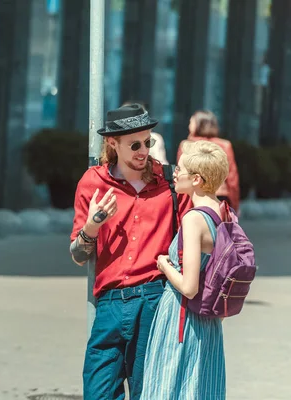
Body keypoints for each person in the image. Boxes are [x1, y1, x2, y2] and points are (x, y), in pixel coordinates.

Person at [69, 103, 191, 400]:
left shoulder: (170, 182)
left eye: (148, 142)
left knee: (147, 392)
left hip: (154, 298)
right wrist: (94, 224)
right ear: (113, 143)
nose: (143, 151)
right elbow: (78, 254)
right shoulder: (93, 183)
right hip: (109, 303)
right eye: (134, 144)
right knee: (97, 392)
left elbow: (190, 243)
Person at [141, 140, 229, 400]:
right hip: (209, 321)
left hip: (182, 317)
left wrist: (164, 265)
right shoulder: (223, 213)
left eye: (180, 169)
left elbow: (190, 286)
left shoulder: (194, 219)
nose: (174, 173)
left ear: (197, 180)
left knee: (170, 387)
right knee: (201, 388)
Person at [177, 110, 240, 212]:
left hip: (194, 197)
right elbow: (232, 178)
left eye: (191, 122)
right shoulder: (225, 145)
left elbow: (182, 174)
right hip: (221, 197)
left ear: (199, 124)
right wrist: (235, 205)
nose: (189, 126)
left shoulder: (186, 145)